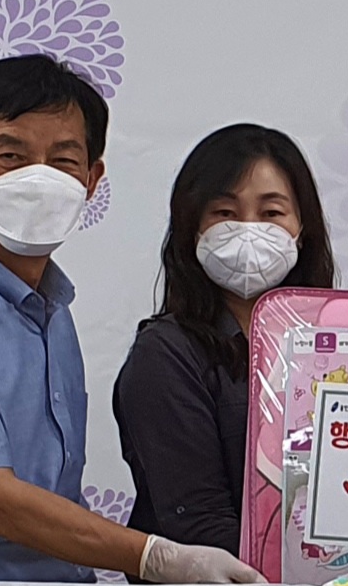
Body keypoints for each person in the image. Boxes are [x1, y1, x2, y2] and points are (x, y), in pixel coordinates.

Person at [0, 53, 260, 586]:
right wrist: (157, 557)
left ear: (92, 178)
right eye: (11, 156)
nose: (37, 179)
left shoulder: (50, 307)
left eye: (63, 160)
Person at [113, 123, 334, 559]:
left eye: (271, 213)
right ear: (192, 227)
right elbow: (196, 521)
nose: (249, 230)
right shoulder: (166, 354)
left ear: (302, 228)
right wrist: (310, 569)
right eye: (225, 213)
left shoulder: (340, 348)